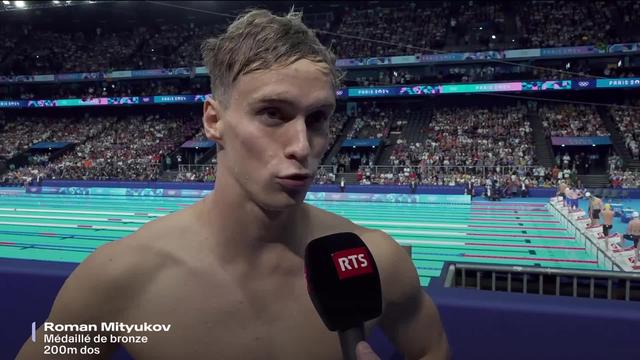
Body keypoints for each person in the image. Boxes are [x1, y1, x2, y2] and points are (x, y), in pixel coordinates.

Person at [17, 9, 449, 360]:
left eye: (317, 119)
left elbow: (431, 348)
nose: (302, 145)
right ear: (214, 120)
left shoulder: (376, 262)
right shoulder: (121, 278)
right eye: (273, 114)